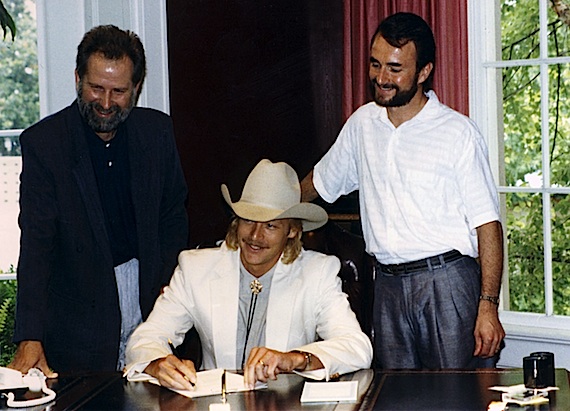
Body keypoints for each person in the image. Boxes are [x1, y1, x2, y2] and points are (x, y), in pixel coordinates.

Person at [301, 12, 505, 369]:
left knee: (458, 399)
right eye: (375, 64)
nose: (381, 78)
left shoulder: (458, 133)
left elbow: (488, 225)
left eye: (395, 69)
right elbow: (317, 184)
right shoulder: (362, 125)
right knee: (394, 399)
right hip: (387, 289)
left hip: (447, 285)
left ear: (424, 72)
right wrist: (264, 209)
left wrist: (488, 304)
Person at [9, 25, 188, 375]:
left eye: (119, 91)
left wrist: (171, 291)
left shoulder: (157, 133)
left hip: (154, 314)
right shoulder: (45, 144)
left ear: (136, 87)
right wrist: (29, 335)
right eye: (96, 88)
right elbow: (36, 245)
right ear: (78, 78)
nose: (106, 104)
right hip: (78, 326)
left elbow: (173, 218)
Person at [124, 159, 372, 390]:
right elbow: (146, 338)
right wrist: (158, 364)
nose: (254, 236)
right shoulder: (195, 269)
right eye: (248, 220)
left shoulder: (317, 273)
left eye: (270, 226)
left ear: (293, 231)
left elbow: (357, 348)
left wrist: (296, 359)